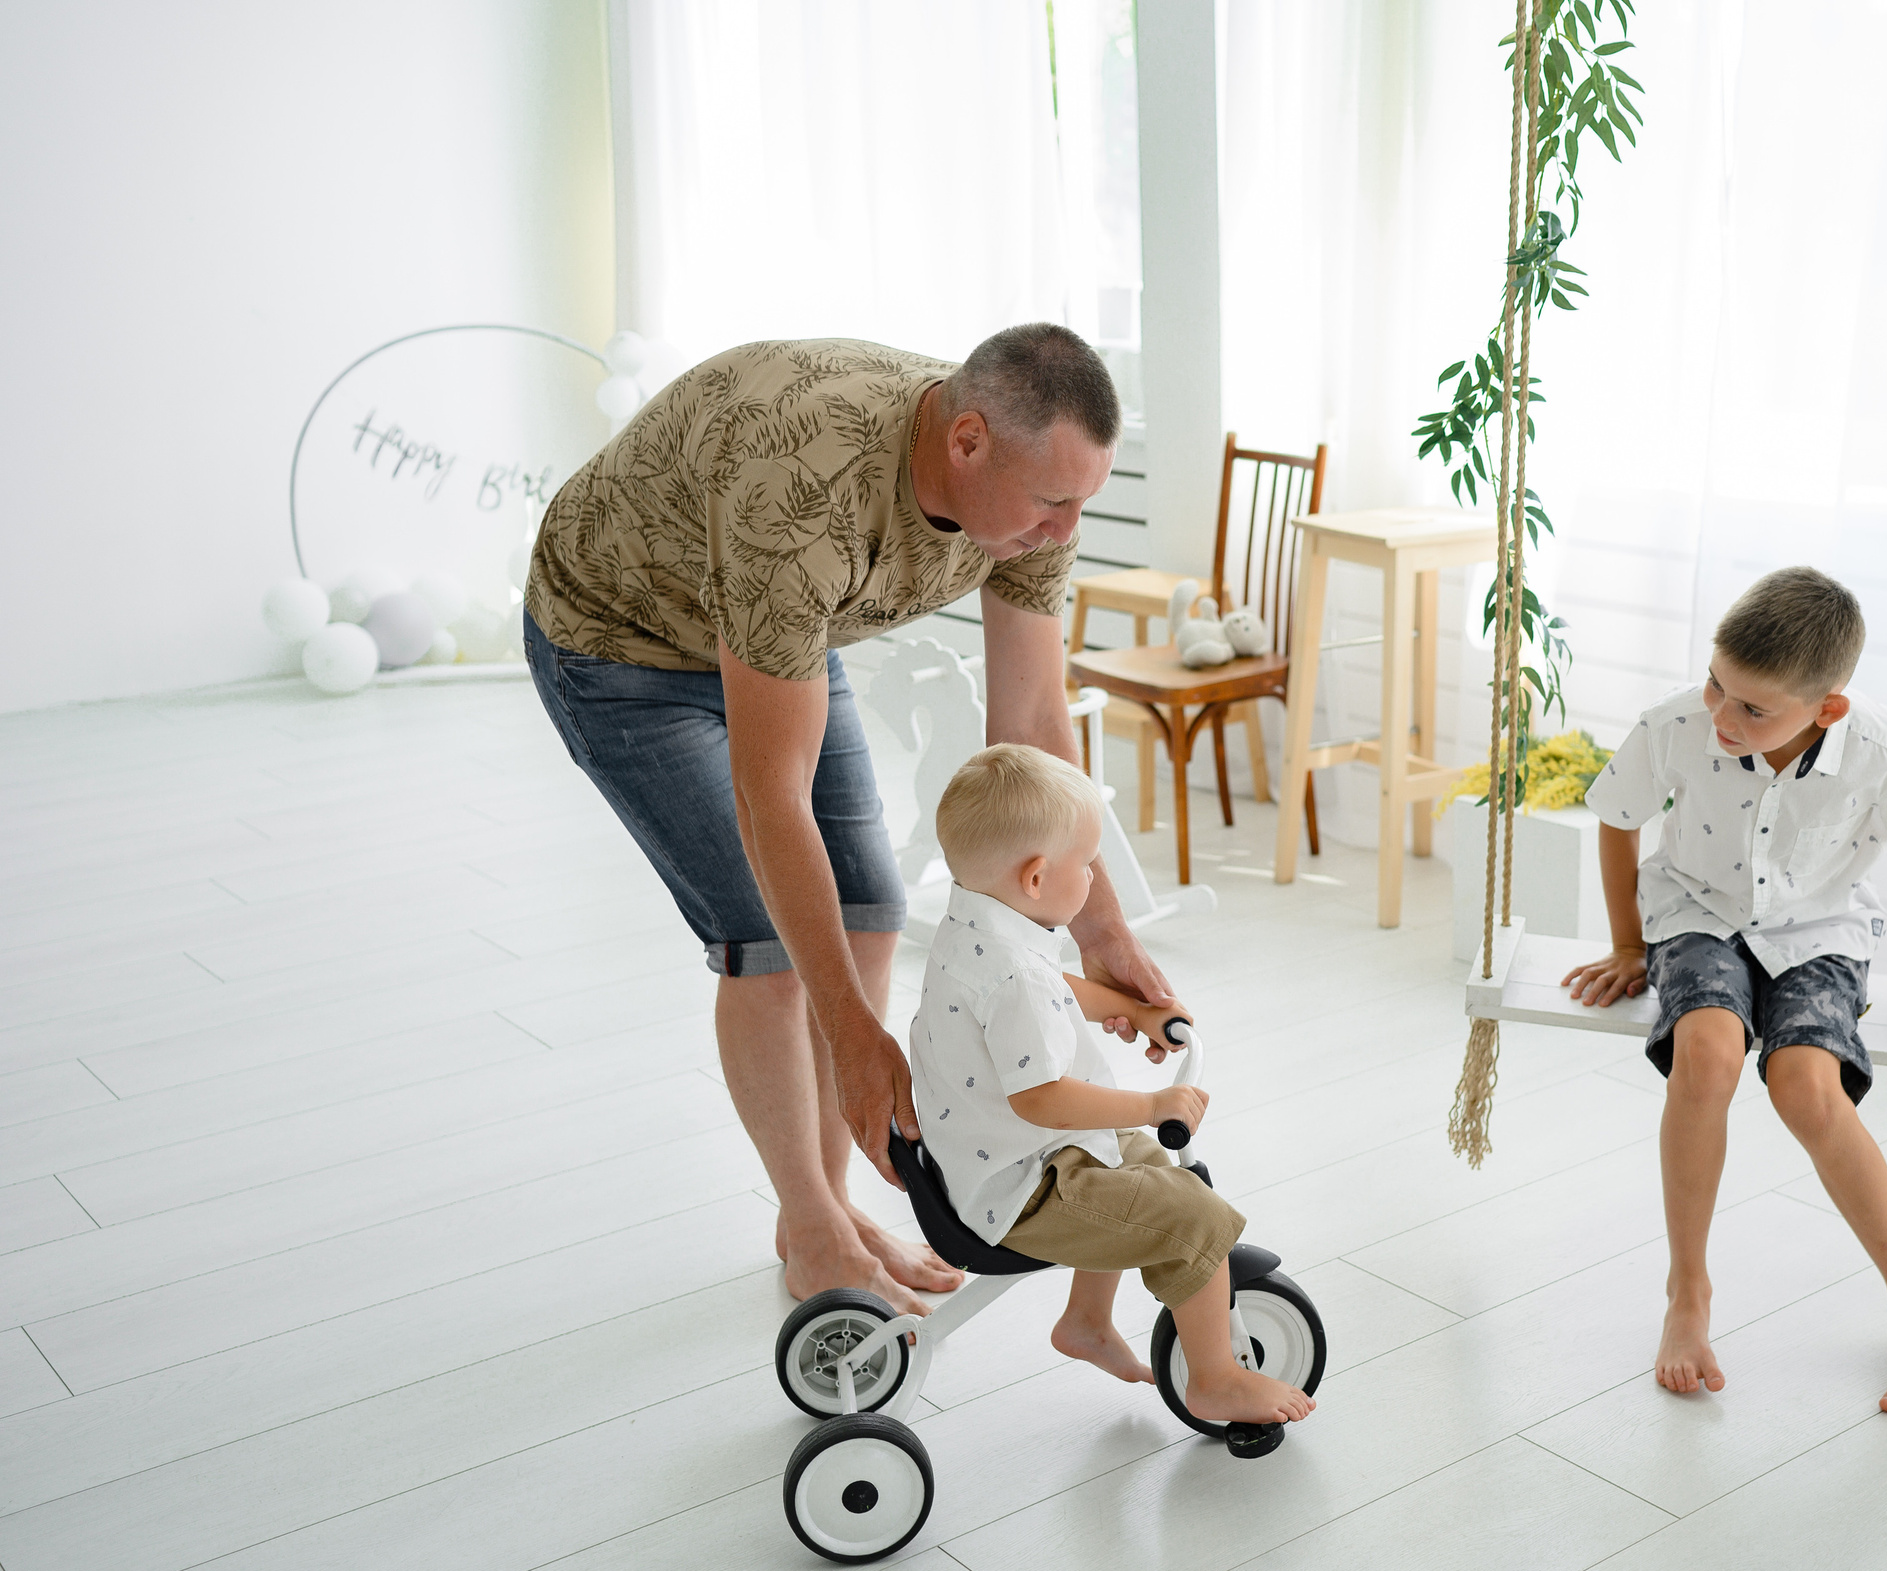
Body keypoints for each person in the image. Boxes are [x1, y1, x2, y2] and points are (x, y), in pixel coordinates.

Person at [522, 325, 1176, 1315]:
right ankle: (814, 1226)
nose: (1064, 530)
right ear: (966, 442)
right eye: (1052, 504)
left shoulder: (1031, 499)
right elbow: (768, 791)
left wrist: (1105, 933)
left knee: (869, 909)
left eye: (1083, 502)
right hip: (624, 645)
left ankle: (821, 1209)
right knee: (769, 949)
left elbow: (1032, 727)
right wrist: (852, 1039)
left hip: (773, 627)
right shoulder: (803, 496)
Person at [1564, 566, 1887, 1412]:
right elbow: (1618, 818)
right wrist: (1628, 943)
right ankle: (1688, 1293)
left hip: (1821, 928)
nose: (1722, 716)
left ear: (1826, 709)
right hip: (1697, 914)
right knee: (1705, 1059)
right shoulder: (1675, 724)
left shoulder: (1879, 749)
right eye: (1717, 685)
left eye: (1752, 707)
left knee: (1809, 1091)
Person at [912, 745, 1315, 1427]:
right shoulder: (1016, 976)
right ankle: (1214, 1378)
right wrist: (1154, 1105)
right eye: (1089, 864)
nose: (1097, 875)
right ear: (1038, 878)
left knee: (1143, 1164)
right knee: (1196, 1216)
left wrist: (1127, 1005)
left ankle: (1086, 1322)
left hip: (1000, 1158)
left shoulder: (980, 926)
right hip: (1027, 1189)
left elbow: (1056, 990)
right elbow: (1040, 1098)